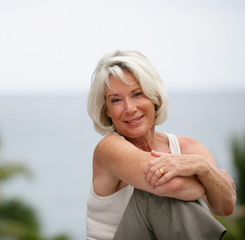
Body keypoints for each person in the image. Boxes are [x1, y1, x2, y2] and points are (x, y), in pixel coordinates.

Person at [86, 50, 236, 240]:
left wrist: (202, 167)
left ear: (154, 96)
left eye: (137, 94)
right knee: (154, 188)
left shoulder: (190, 149)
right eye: (116, 100)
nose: (130, 108)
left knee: (159, 182)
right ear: (106, 110)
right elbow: (171, 186)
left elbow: (225, 206)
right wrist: (210, 181)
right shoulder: (109, 148)